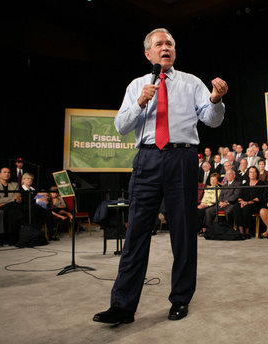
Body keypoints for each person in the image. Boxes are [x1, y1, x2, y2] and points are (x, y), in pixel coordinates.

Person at [93, 28, 228, 324]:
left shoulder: (192, 83)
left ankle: (180, 299)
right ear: (148, 53)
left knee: (183, 233)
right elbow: (120, 126)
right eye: (159, 44)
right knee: (136, 233)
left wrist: (216, 100)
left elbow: (211, 120)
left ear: (174, 52)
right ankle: (122, 307)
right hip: (148, 159)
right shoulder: (137, 85)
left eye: (169, 44)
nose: (165, 48)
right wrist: (140, 102)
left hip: (182, 157)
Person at [0, 167, 25, 245]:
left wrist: (5, 202)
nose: (7, 174)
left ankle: (11, 239)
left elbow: (18, 199)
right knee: (14, 205)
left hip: (8, 207)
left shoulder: (14, 185)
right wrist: (13, 199)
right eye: (4, 172)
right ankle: (14, 237)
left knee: (12, 212)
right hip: (1, 208)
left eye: (8, 172)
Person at [234, 166, 263, 239]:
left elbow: (259, 197)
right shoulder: (245, 184)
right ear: (248, 174)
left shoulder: (261, 183)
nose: (252, 174)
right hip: (244, 203)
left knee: (246, 208)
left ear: (257, 174)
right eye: (251, 172)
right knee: (237, 206)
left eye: (254, 172)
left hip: (255, 204)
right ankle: (241, 231)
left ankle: (247, 231)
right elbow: (240, 196)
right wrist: (242, 202)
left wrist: (248, 202)